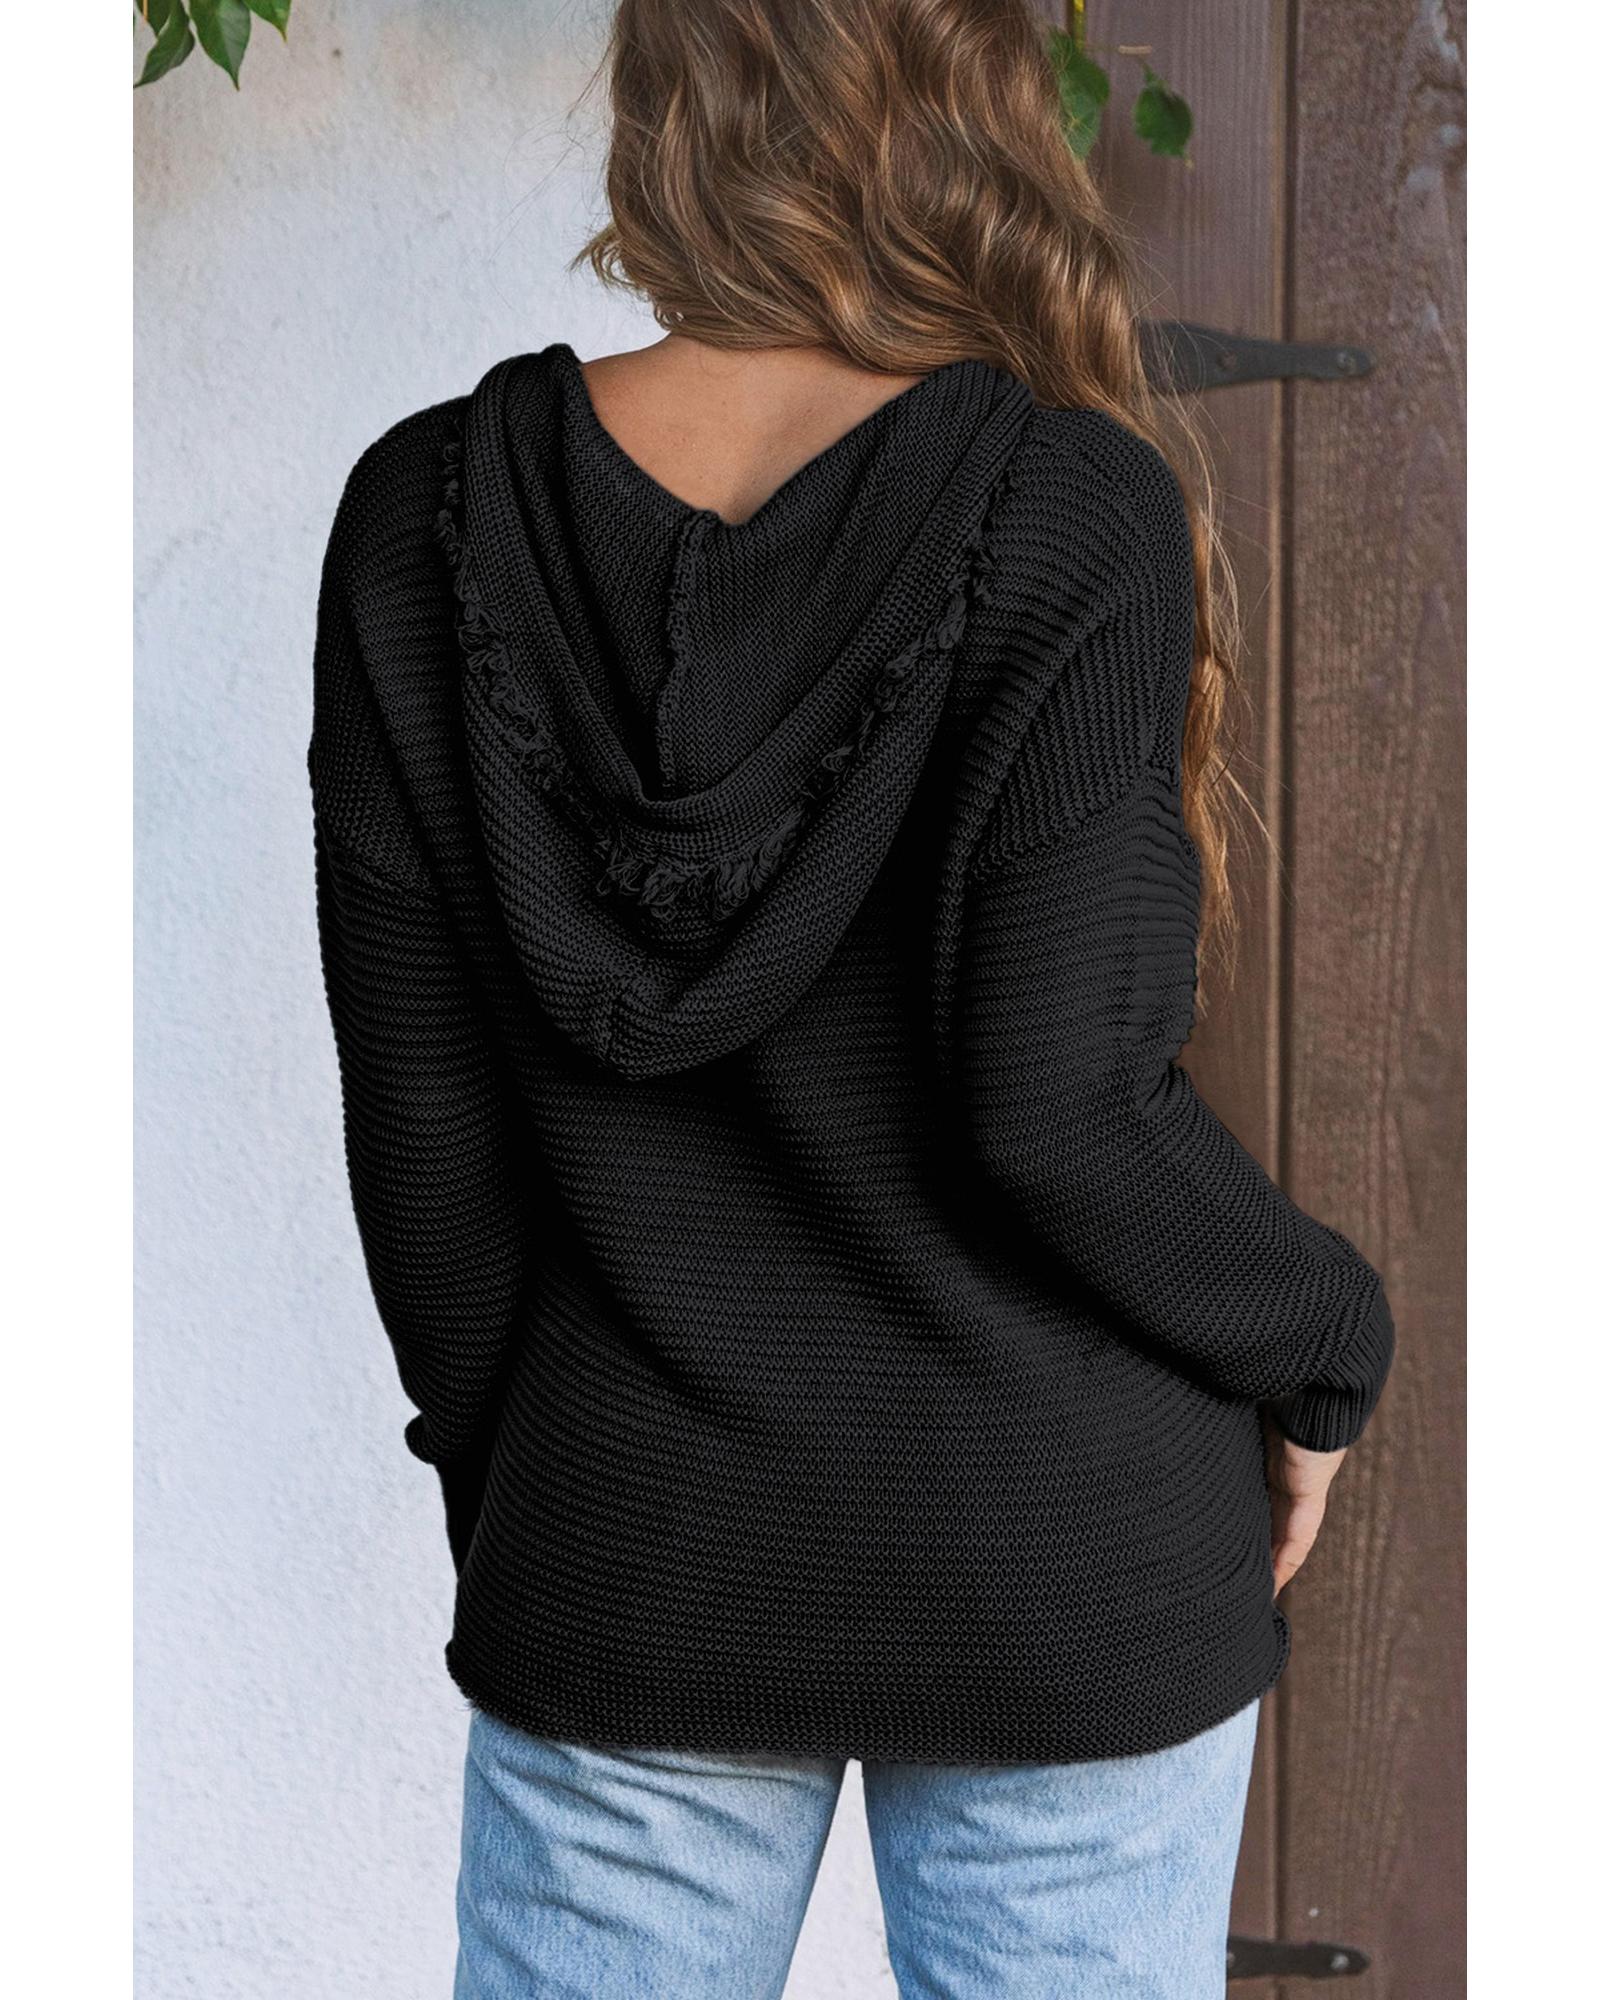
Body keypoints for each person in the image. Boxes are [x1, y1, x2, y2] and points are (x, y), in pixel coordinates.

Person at [307, 3, 1394, 1994]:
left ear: (665, 103)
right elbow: (1057, 1111)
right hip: (1066, 1560)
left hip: (639, 1540)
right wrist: (1324, 1328)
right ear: (956, 103)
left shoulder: (418, 513)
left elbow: (425, 1141)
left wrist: (548, 1495)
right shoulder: (1071, 505)